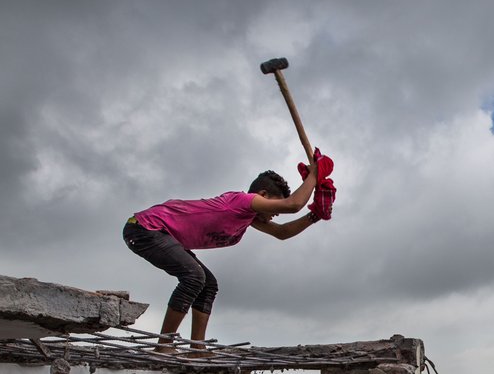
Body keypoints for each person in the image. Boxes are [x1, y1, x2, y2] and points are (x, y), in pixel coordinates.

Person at [122, 150, 335, 352]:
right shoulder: (242, 201)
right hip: (145, 227)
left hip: (161, 234)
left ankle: (197, 348)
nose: (276, 214)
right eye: (274, 206)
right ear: (262, 195)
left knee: (208, 283)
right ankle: (164, 344)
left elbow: (282, 232)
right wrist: (314, 174)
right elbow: (293, 205)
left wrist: (314, 215)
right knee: (194, 276)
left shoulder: (249, 218)